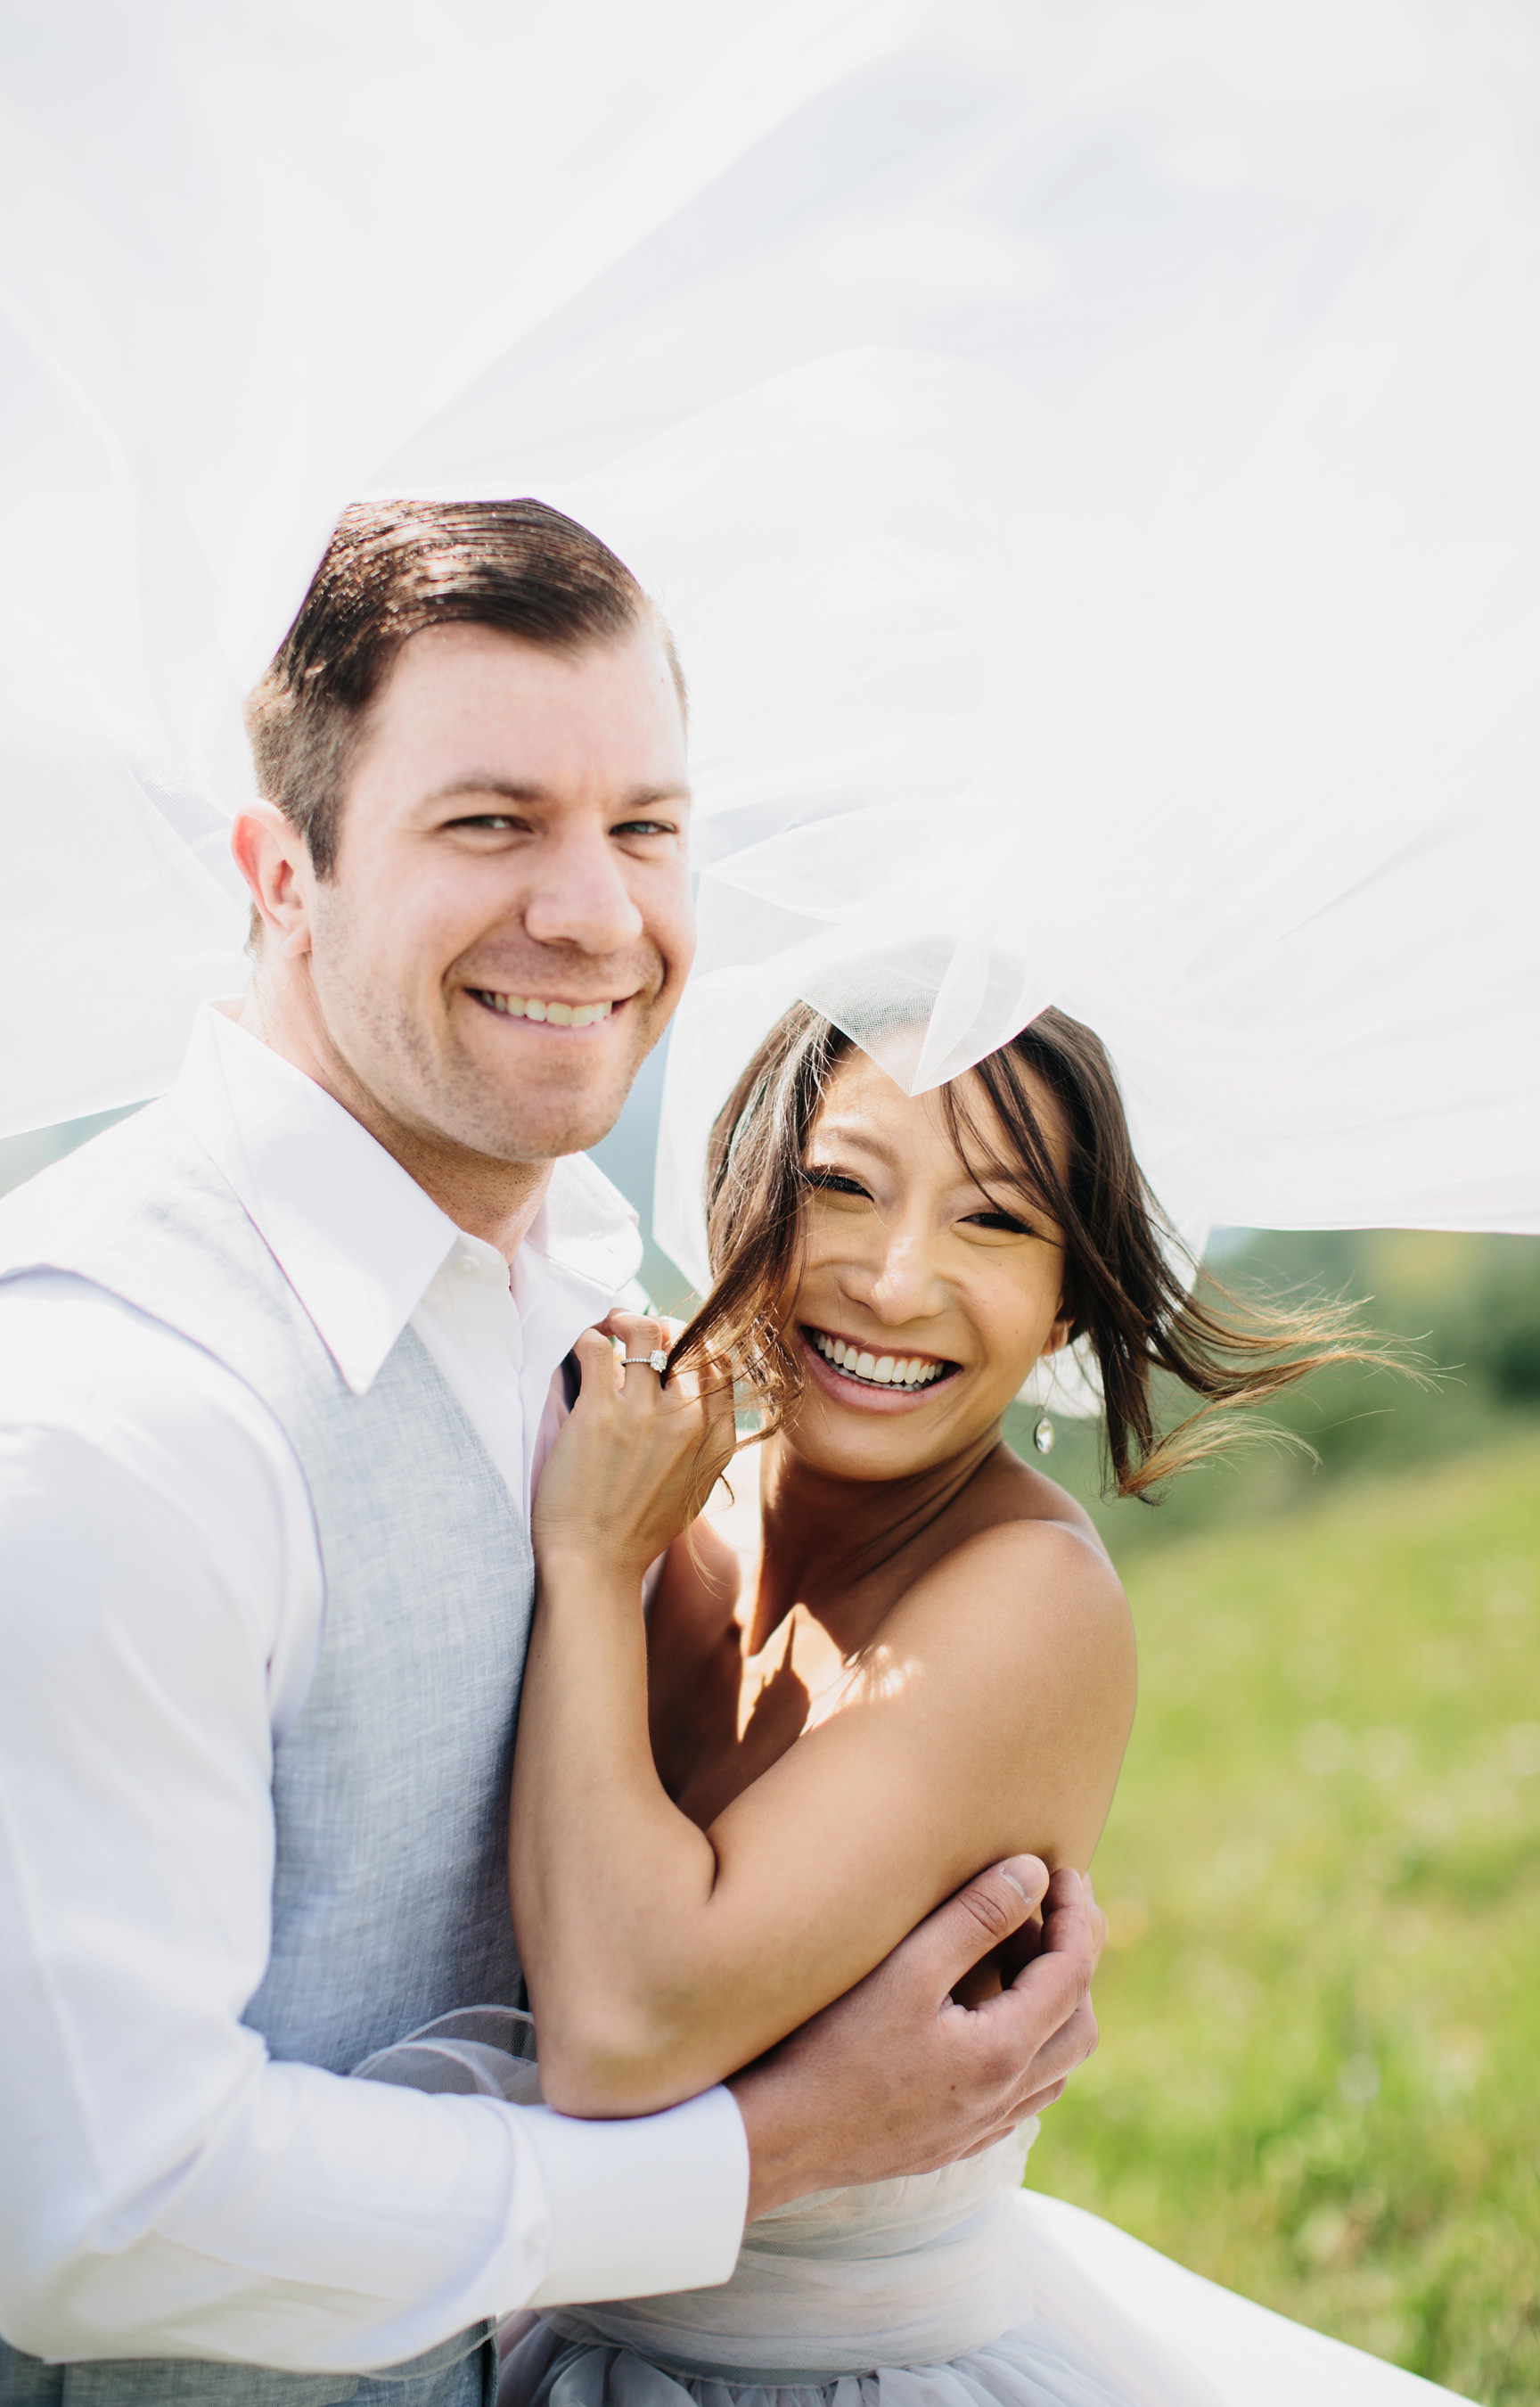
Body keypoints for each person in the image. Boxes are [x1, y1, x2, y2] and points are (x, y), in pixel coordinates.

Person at [0, 503, 1103, 2404]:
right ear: (286, 871)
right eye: (491, 822)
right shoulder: (111, 1426)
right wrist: (764, 2158)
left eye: (647, 828)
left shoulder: (588, 1285)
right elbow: (101, 2204)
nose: (598, 915)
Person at [491, 1003, 1470, 2407]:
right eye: (843, 1187)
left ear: (1070, 1294)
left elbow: (621, 2031)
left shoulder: (1033, 1600)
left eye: (994, 1222)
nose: (896, 1284)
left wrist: (586, 1567)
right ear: (741, 1203)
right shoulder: (678, 1504)